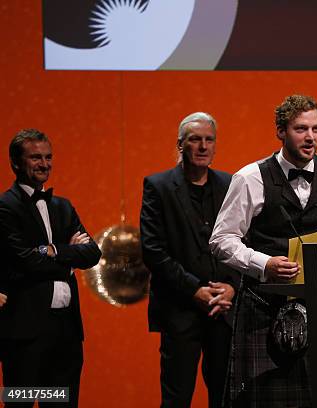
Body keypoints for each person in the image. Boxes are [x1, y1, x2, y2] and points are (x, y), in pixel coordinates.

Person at [210, 94, 317, 407]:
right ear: (281, 131)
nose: (310, 138)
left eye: (315, 129)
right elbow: (222, 239)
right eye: (300, 129)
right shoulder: (250, 177)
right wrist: (264, 264)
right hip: (263, 307)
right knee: (264, 399)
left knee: (315, 397)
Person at [140, 112, 238, 408]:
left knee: (225, 397)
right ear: (180, 144)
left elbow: (243, 242)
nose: (203, 146)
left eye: (209, 140)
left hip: (224, 311)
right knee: (176, 397)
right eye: (195, 139)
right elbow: (153, 250)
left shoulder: (230, 183)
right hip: (179, 309)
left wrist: (232, 287)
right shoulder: (158, 186)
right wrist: (195, 289)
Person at [0, 128, 102, 407]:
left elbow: (93, 253)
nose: (44, 164)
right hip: (25, 331)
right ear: (15, 163)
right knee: (19, 402)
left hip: (66, 332)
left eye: (48, 157)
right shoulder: (4, 207)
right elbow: (25, 261)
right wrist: (69, 260)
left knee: (62, 403)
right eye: (35, 157)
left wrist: (53, 250)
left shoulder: (63, 207)